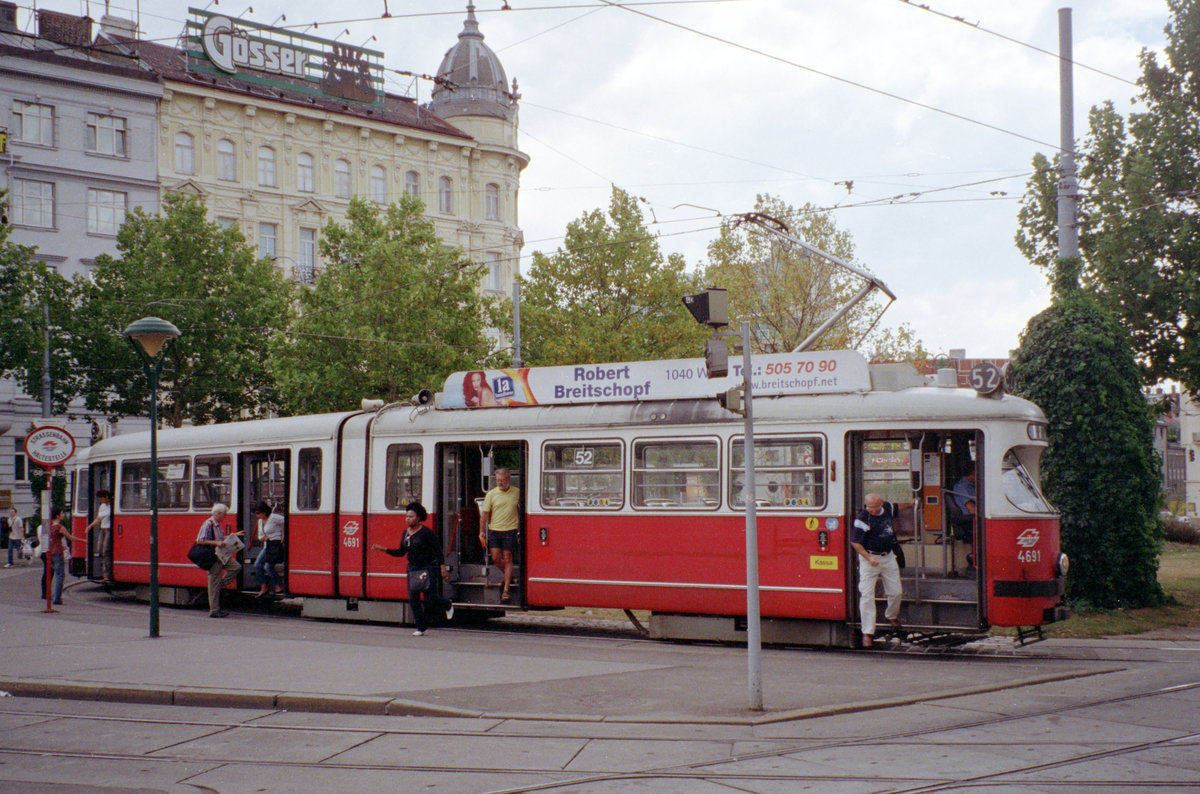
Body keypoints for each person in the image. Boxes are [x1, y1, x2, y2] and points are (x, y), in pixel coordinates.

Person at [371, 501, 453, 636]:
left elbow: (438, 550)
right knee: (413, 599)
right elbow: (400, 552)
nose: (407, 519)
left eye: (411, 516)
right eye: (406, 516)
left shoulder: (426, 532)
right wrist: (382, 549)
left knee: (430, 598)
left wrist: (442, 568)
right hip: (413, 568)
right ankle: (421, 627)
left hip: (427, 568)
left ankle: (447, 605)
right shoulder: (405, 533)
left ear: (418, 518)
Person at [850, 493, 912, 648]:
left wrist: (911, 504)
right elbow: (855, 542)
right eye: (869, 508)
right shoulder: (862, 519)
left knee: (896, 592)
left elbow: (898, 506)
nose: (872, 510)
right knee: (866, 595)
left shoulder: (887, 508)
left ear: (881, 504)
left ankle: (890, 615)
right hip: (869, 558)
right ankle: (867, 632)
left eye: (875, 508)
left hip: (888, 557)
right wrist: (868, 558)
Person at [195, 503, 243, 618]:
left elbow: (220, 538)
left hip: (221, 555)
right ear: (218, 514)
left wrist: (234, 535)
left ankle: (219, 585)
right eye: (224, 514)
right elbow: (200, 540)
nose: (225, 516)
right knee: (214, 581)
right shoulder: (208, 524)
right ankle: (214, 610)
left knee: (236, 567)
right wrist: (217, 543)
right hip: (213, 556)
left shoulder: (217, 525)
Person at [479, 467, 519, 603]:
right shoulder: (491, 494)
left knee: (508, 557)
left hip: (510, 530)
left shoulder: (517, 492)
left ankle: (506, 589)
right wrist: (481, 531)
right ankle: (509, 577)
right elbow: (485, 514)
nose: (500, 483)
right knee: (495, 558)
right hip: (494, 530)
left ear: (508, 479)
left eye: (502, 480)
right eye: (498, 480)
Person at [47, 508, 84, 605]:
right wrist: (83, 540)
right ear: (57, 516)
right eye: (62, 513)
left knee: (56, 574)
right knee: (60, 575)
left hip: (50, 553)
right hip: (58, 552)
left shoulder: (50, 527)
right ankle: (57, 598)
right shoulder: (60, 527)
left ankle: (54, 596)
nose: (63, 515)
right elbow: (71, 538)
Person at [252, 501, 285, 597]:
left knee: (268, 567)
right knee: (257, 565)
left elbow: (286, 521)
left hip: (275, 545)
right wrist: (262, 538)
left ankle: (279, 585)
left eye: (258, 513)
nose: (257, 515)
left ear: (264, 512)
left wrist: (283, 535)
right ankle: (263, 587)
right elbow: (260, 536)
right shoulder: (260, 521)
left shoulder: (274, 518)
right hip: (267, 546)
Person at [84, 490, 113, 583]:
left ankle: (107, 574)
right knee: (100, 548)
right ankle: (104, 569)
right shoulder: (102, 506)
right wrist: (90, 526)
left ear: (106, 497)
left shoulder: (112, 506)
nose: (100, 500)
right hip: (102, 529)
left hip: (109, 529)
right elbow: (98, 519)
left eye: (101, 498)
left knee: (106, 550)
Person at [949, 463, 977, 542]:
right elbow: (972, 510)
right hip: (969, 520)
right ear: (973, 473)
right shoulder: (961, 487)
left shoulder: (973, 486)